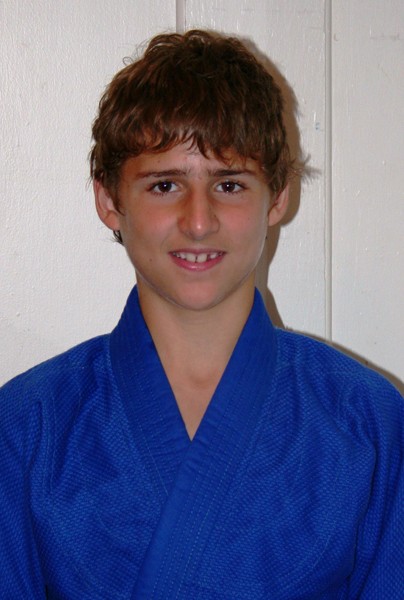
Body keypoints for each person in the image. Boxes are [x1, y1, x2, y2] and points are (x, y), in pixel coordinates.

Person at [0, 30, 402, 600]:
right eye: (164, 184)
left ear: (278, 197)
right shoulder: (28, 427)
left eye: (229, 184)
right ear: (109, 200)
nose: (197, 221)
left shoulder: (368, 422)